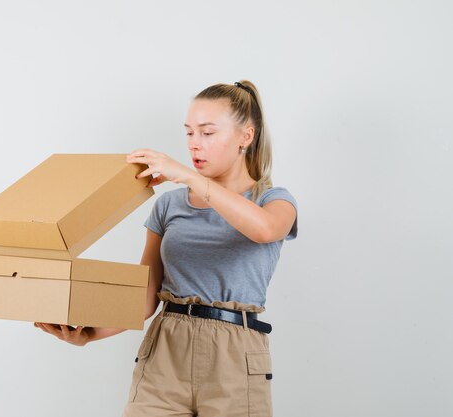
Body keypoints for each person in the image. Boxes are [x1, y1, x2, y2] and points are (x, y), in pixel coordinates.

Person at [34, 79, 298, 417]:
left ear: (246, 136)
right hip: (165, 353)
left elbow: (265, 230)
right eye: (189, 132)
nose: (194, 144)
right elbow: (145, 299)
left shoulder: (273, 200)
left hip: (236, 356)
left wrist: (187, 176)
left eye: (207, 132)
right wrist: (88, 334)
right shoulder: (169, 205)